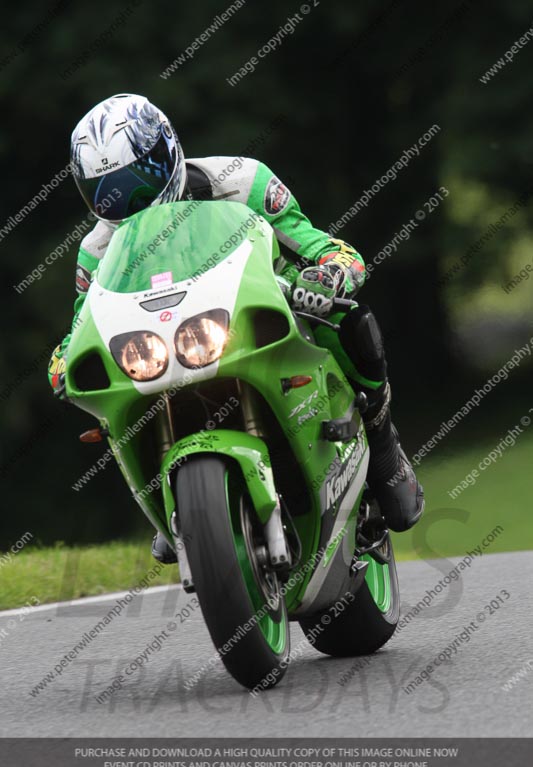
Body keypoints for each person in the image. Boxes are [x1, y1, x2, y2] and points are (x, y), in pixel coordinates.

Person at [48, 93, 424, 563]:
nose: (127, 203)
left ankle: (384, 444)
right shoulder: (97, 248)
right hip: (165, 345)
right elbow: (85, 321)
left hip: (262, 310)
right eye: (106, 193)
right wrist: (63, 359)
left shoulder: (241, 180)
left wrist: (327, 274)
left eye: (137, 184)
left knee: (350, 321)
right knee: (113, 405)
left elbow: (323, 247)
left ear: (167, 152)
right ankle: (173, 502)